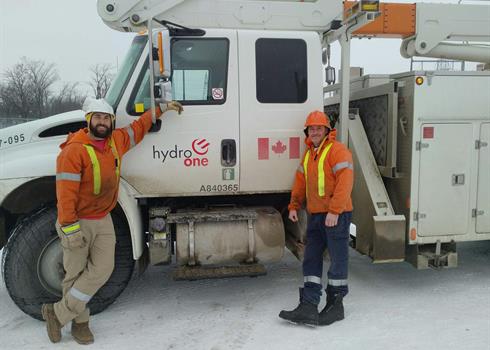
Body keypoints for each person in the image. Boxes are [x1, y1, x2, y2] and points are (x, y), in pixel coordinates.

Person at [42, 98, 183, 344]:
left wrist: (161, 108)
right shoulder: (74, 150)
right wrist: (70, 228)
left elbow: (138, 127)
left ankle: (57, 313)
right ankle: (80, 324)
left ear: (111, 121)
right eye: (97, 118)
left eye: (106, 118)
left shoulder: (115, 141)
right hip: (77, 221)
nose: (102, 122)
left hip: (102, 218)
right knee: (74, 273)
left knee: (102, 269)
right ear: (88, 121)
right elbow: (65, 196)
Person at [279, 110, 353, 327]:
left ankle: (335, 305)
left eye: (319, 128)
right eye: (311, 128)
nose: (315, 132)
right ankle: (308, 305)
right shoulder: (310, 154)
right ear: (307, 132)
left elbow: (345, 183)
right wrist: (293, 205)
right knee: (311, 258)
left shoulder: (338, 151)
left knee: (338, 260)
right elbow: (301, 181)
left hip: (335, 215)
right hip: (316, 215)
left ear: (327, 130)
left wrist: (334, 211)